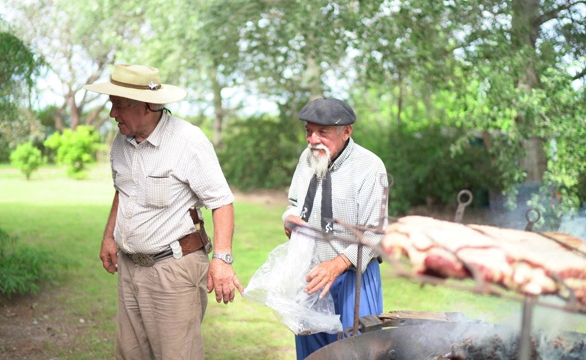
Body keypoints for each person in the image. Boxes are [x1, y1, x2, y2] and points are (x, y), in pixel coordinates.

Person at [84, 64, 243, 360]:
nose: (112, 114)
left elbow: (221, 201)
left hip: (173, 269)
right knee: (130, 354)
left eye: (120, 105)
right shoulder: (121, 141)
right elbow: (124, 191)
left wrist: (222, 260)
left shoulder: (187, 141)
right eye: (112, 104)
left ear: (148, 106)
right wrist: (109, 237)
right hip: (129, 268)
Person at [282, 97, 388, 359]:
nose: (312, 139)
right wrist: (289, 218)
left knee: (358, 352)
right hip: (312, 275)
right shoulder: (306, 159)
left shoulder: (370, 167)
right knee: (312, 352)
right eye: (309, 131)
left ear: (346, 131)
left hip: (355, 278)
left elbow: (375, 232)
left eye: (322, 132)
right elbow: (294, 203)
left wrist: (338, 263)